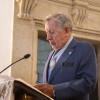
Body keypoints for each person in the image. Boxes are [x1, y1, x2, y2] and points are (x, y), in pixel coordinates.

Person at [34, 13, 97, 100]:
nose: (48, 37)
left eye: (52, 32)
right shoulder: (50, 55)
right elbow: (49, 82)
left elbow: (88, 83)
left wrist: (54, 90)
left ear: (66, 31)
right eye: (47, 32)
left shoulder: (83, 48)